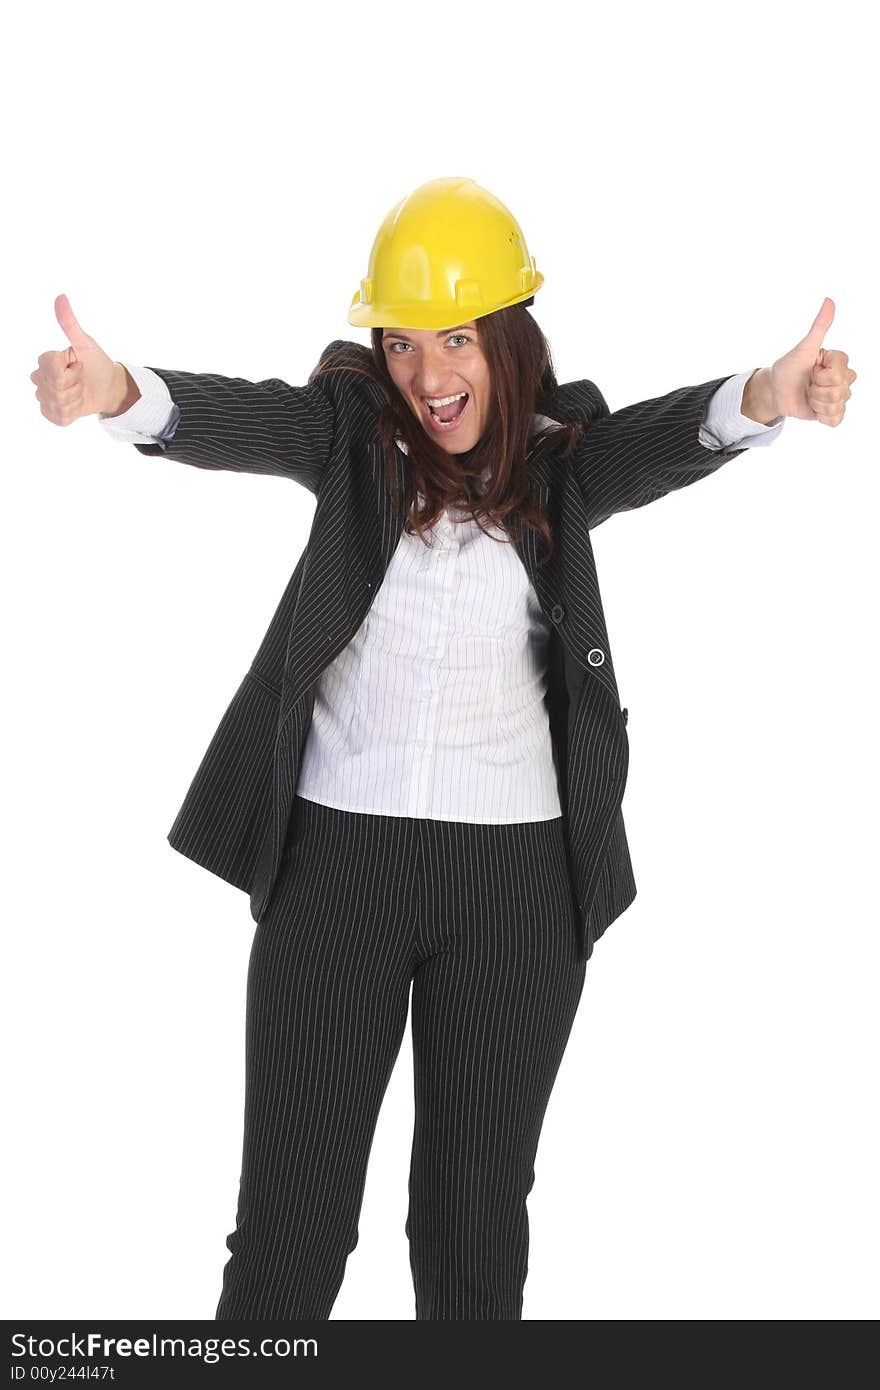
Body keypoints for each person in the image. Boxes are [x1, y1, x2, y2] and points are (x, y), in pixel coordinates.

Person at [30, 177, 856, 1321]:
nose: (428, 374)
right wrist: (117, 393)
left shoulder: (563, 464)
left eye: (457, 338)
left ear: (507, 342)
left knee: (472, 1234)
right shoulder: (352, 438)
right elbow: (241, 416)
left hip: (514, 887)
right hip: (335, 872)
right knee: (289, 1234)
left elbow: (663, 443)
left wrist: (766, 397)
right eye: (405, 342)